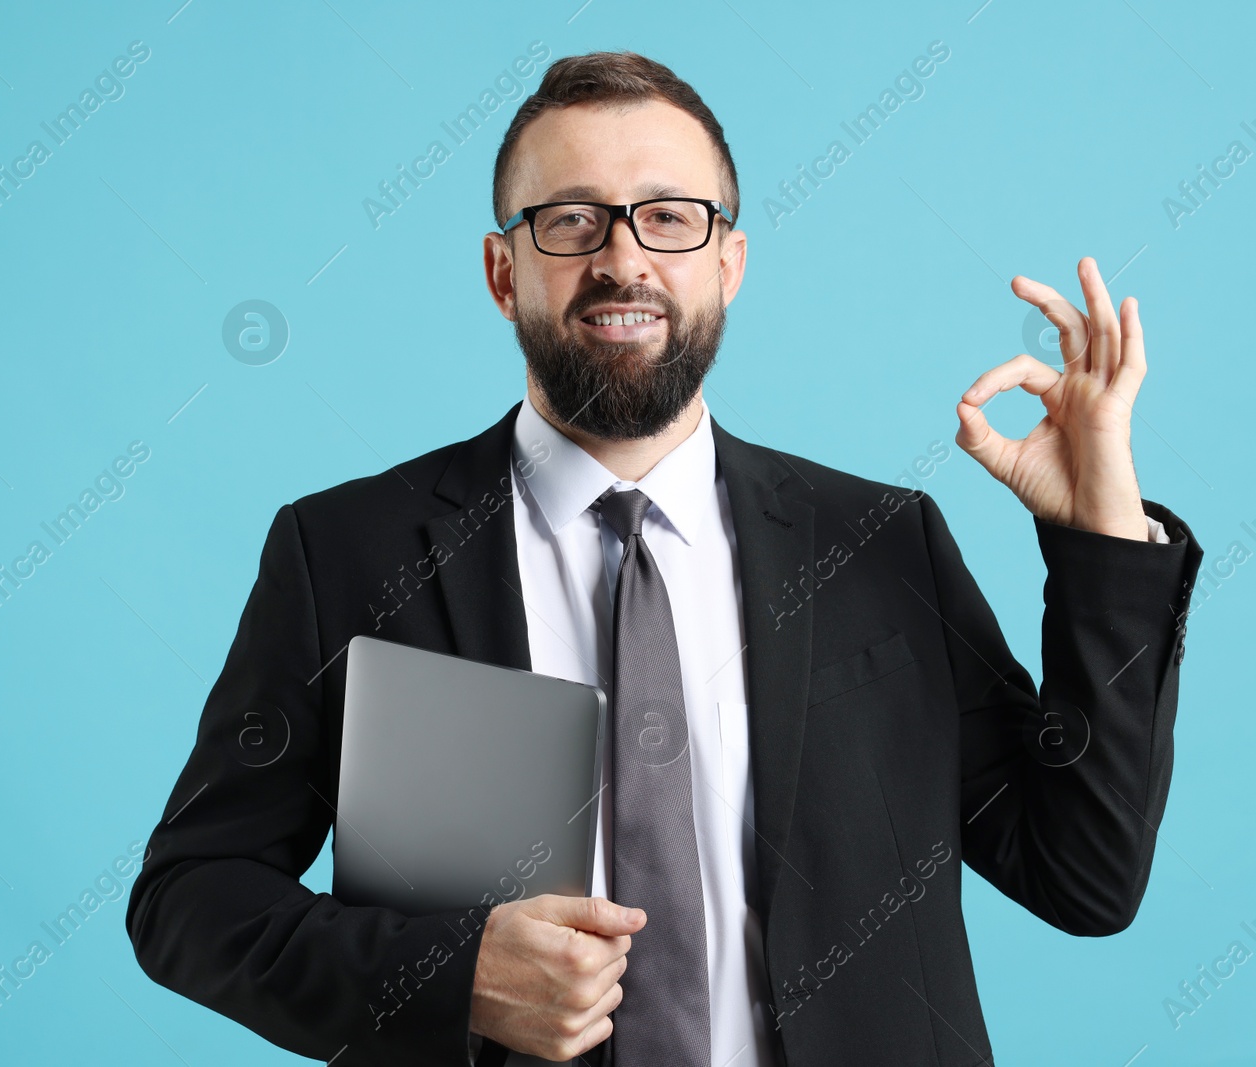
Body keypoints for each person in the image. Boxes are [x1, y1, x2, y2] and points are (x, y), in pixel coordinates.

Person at [126, 51, 1204, 1066]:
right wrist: (451, 975)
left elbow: (1083, 874)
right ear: (504, 272)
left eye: (669, 218)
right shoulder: (345, 553)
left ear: (728, 262)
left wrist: (1102, 531)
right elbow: (190, 895)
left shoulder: (880, 543)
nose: (623, 257)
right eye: (571, 220)